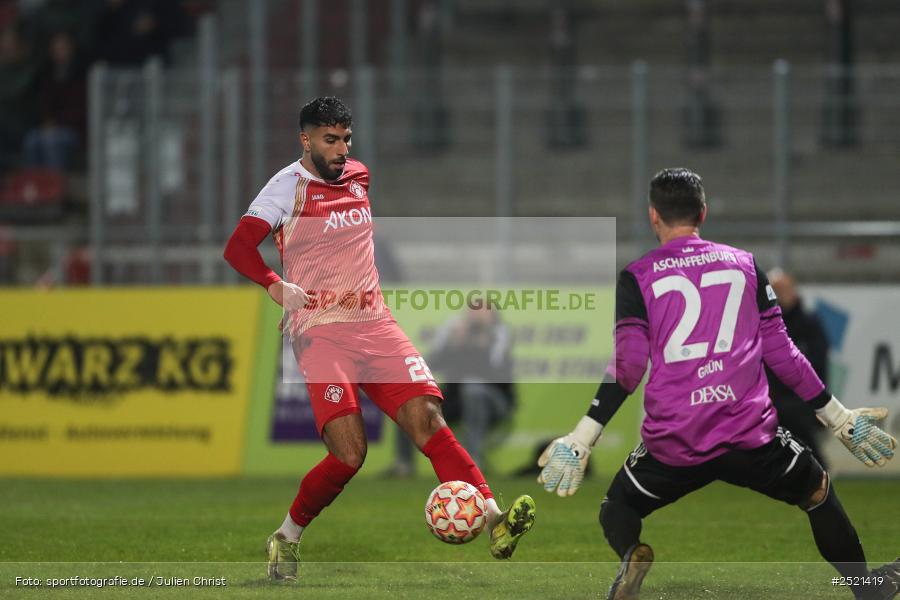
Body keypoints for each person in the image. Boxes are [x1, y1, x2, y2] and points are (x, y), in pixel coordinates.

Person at [537, 168, 898, 600]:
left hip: (675, 440)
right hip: (748, 434)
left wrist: (583, 436)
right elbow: (782, 353)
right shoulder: (744, 265)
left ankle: (632, 554)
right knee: (817, 491)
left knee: (619, 504)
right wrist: (838, 419)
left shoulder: (637, 277)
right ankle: (866, 589)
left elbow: (628, 366)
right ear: (703, 213)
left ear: (653, 216)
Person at [223, 96, 535, 582]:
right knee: (350, 453)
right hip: (320, 332)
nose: (341, 149)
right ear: (305, 140)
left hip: (375, 324)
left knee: (428, 419)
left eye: (346, 139)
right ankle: (286, 537)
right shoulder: (285, 189)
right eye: (330, 140)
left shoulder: (359, 175)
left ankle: (494, 521)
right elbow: (238, 248)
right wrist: (274, 284)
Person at [765, 268, 831, 466]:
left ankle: (818, 467)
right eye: (775, 291)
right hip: (772, 397)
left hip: (802, 397)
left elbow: (818, 363)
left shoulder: (808, 323)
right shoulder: (764, 325)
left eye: (783, 289)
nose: (780, 296)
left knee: (791, 416)